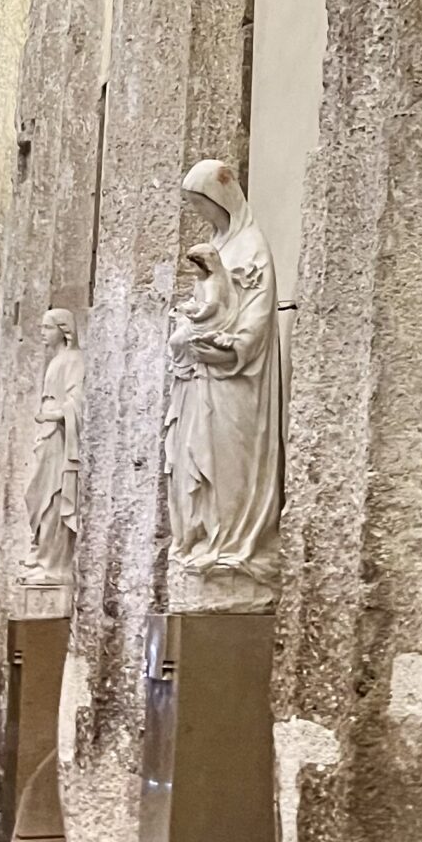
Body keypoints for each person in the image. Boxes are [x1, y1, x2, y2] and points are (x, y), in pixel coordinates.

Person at [163, 160, 283, 584]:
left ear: (221, 200)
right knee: (194, 457)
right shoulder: (217, 246)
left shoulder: (251, 248)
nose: (199, 213)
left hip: (235, 377)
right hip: (202, 377)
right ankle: (202, 541)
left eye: (201, 203)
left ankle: (230, 542)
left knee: (229, 460)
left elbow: (257, 316)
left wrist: (232, 343)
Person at [24, 308, 84, 579]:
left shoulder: (73, 360)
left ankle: (52, 562)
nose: (42, 334)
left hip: (59, 434)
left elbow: (76, 400)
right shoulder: (56, 361)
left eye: (47, 328)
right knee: (36, 494)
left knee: (54, 496)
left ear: (64, 330)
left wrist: (54, 414)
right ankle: (41, 553)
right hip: (47, 434)